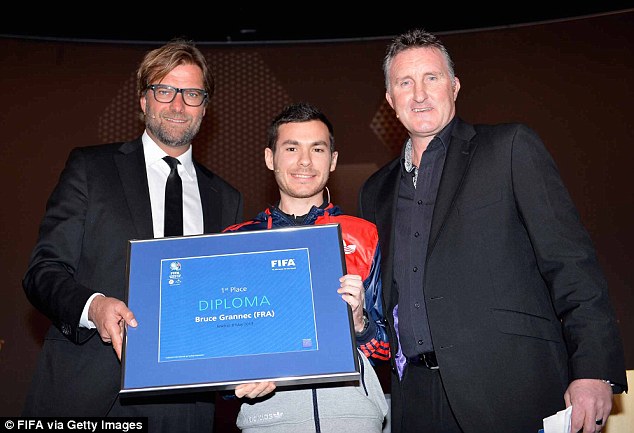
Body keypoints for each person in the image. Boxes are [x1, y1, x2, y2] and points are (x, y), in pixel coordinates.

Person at [358, 28, 628, 433]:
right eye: (405, 83)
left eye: (431, 78)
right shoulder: (375, 190)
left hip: (511, 387)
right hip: (413, 400)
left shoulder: (510, 147)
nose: (419, 94)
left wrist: (593, 369)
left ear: (455, 85)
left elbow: (571, 265)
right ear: (390, 99)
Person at [22, 39, 243, 432]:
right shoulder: (92, 169)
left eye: (191, 94)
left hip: (186, 405)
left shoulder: (226, 198)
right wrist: (94, 307)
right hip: (90, 393)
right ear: (144, 101)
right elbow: (43, 272)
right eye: (164, 90)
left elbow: (229, 302)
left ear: (205, 107)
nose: (178, 105)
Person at [223, 102, 390, 432]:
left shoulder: (362, 234)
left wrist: (359, 323)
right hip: (268, 419)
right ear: (270, 158)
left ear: (333, 160)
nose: (304, 161)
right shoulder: (235, 242)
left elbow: (386, 349)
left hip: (354, 419)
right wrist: (237, 383)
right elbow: (219, 349)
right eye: (291, 148)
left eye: (317, 149)